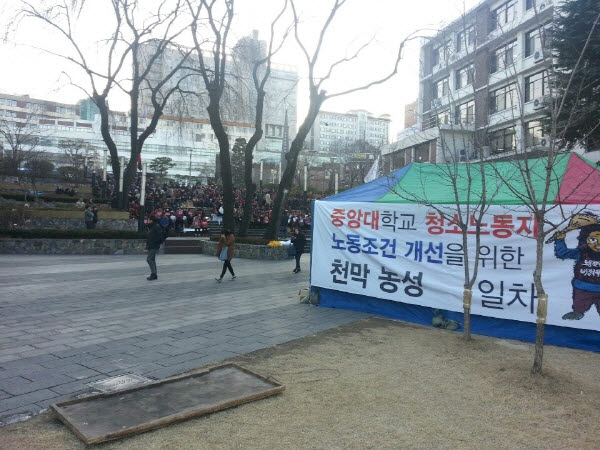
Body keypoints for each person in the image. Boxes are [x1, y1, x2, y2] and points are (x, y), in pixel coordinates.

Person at [146, 215, 165, 280]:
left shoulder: (156, 226)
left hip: (154, 245)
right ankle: (154, 274)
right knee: (152, 260)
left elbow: (160, 236)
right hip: (151, 245)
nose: (148, 221)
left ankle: (153, 274)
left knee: (149, 259)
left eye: (149, 219)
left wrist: (156, 242)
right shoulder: (151, 227)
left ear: (152, 220)